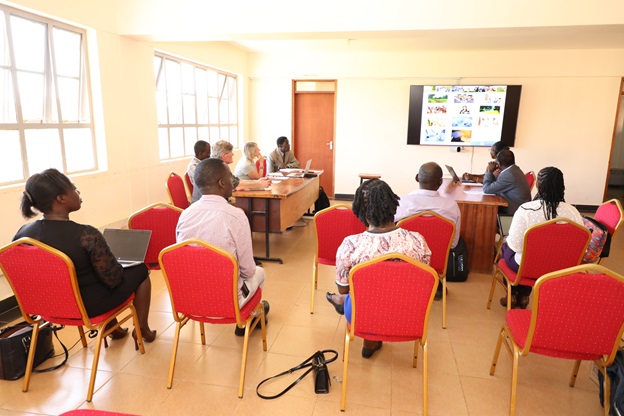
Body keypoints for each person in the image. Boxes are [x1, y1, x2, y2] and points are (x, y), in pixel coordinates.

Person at [14, 169, 155, 347]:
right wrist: (117, 262)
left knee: (93, 274)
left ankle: (115, 330)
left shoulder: (22, 234)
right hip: (87, 306)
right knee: (140, 270)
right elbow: (114, 279)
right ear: (61, 198)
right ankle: (142, 329)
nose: (78, 193)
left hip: (46, 307)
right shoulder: (85, 234)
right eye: (74, 189)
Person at [325, 179, 431, 358]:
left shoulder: (350, 245)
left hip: (363, 316)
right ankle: (371, 339)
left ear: (361, 210)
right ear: (392, 204)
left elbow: (343, 288)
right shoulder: (418, 241)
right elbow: (422, 285)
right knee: (390, 292)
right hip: (410, 316)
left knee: (352, 295)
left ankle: (368, 337)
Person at [176, 158, 269, 336]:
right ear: (221, 183)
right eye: (229, 177)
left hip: (189, 299)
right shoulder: (236, 216)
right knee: (259, 273)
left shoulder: (184, 215)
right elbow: (248, 271)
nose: (232, 181)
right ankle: (248, 319)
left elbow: (182, 258)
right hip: (228, 301)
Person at [500, 167, 582, 309]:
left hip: (525, 268)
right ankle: (524, 297)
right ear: (562, 186)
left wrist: (506, 241)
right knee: (531, 257)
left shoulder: (526, 210)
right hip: (560, 268)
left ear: (538, 184)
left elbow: (515, 246)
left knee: (506, 247)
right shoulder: (573, 212)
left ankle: (512, 294)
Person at [394, 162, 461, 300]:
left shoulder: (401, 202)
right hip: (436, 262)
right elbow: (453, 243)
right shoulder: (452, 206)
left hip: (406, 261)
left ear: (417, 178)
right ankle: (434, 282)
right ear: (441, 182)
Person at [482, 149, 531, 215]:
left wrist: (488, 171)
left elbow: (487, 189)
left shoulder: (509, 175)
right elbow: (495, 186)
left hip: (514, 212)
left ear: (499, 163)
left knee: (485, 211)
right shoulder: (514, 169)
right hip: (517, 206)